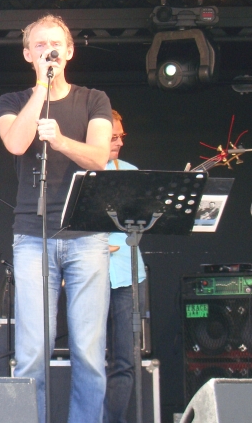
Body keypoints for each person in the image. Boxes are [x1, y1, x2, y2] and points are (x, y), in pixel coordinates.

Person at [0, 14, 113, 423]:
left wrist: (61, 140)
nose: (50, 51)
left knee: (89, 352)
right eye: (41, 45)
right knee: (32, 352)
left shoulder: (94, 99)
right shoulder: (11, 102)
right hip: (32, 236)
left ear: (70, 51)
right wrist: (41, 89)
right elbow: (16, 143)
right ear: (28, 55)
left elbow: (99, 157)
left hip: (87, 235)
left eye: (56, 44)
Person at [103, 110, 147, 423]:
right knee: (90, 360)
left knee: (125, 362)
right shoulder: (77, 173)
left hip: (129, 276)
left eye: (121, 137)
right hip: (90, 275)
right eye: (113, 137)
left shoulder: (130, 172)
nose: (120, 142)